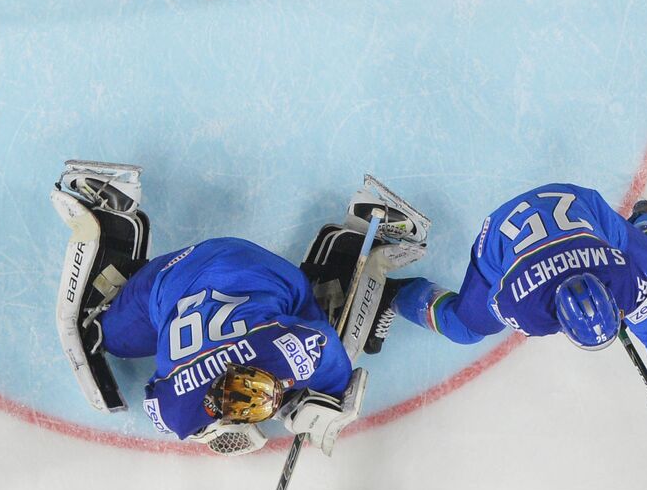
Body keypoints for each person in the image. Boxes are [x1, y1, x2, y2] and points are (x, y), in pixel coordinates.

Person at [53, 163, 427, 454]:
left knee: (326, 328)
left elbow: (328, 351)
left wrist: (321, 397)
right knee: (111, 338)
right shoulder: (175, 413)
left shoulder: (281, 355)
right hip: (195, 273)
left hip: (219, 271)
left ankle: (360, 238)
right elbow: (157, 389)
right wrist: (318, 395)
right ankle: (108, 210)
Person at [389, 183, 647, 453]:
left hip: (580, 207)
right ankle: (395, 294)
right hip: (502, 235)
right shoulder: (523, 305)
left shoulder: (622, 276)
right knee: (466, 328)